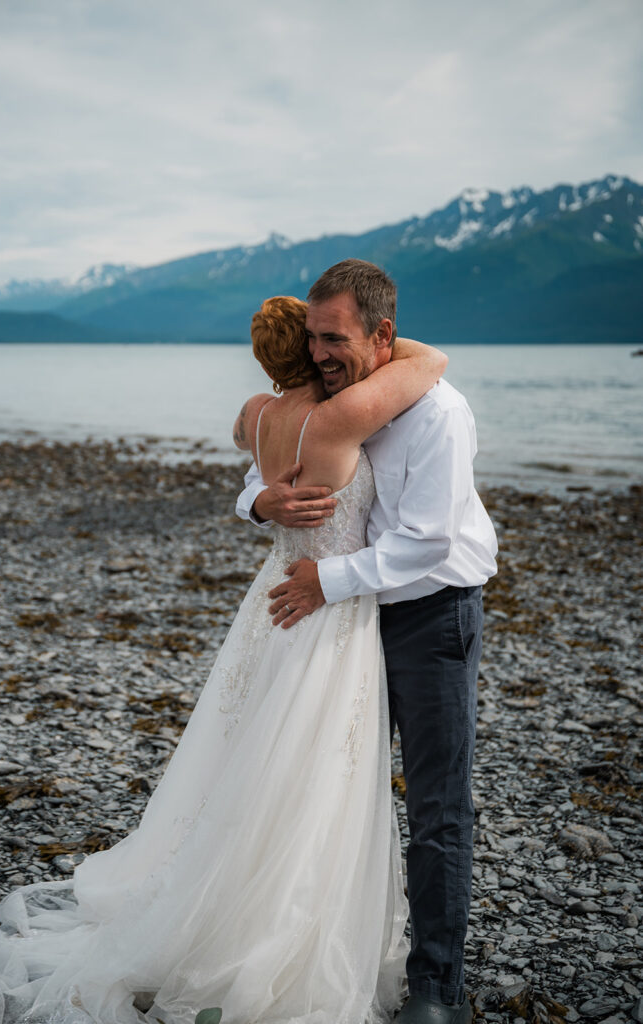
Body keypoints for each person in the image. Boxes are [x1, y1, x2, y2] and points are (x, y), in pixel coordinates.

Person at [0, 295, 448, 1024]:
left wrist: (260, 498)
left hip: (267, 601)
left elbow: (239, 436)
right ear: (310, 349)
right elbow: (431, 362)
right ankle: (275, 919)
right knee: (308, 765)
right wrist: (369, 338)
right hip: (324, 607)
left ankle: (217, 887)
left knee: (246, 746)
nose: (324, 353)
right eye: (316, 341)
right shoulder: (343, 415)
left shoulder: (258, 413)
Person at [236, 260, 498, 1024]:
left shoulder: (438, 413)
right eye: (313, 337)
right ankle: (314, 949)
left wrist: (328, 580)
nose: (318, 353)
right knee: (329, 788)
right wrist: (261, 500)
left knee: (437, 805)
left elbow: (427, 540)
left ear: (383, 335)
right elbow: (255, 463)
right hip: (350, 622)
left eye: (335, 338)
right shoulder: (339, 398)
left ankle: (434, 990)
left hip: (429, 615)